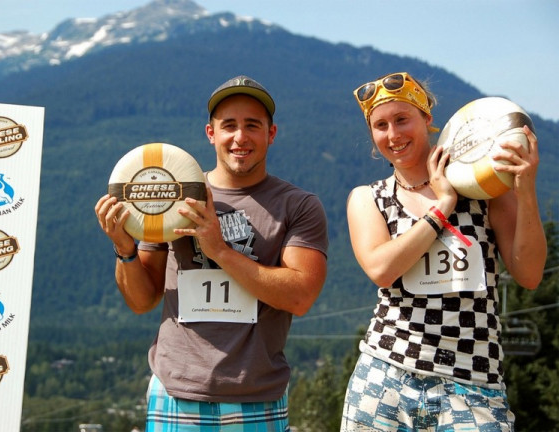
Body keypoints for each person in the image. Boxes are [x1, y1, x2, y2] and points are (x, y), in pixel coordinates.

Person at [95, 75, 328, 431]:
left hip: (257, 394)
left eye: (252, 125)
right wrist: (124, 249)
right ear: (211, 133)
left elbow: (300, 296)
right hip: (175, 391)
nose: (240, 137)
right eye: (229, 125)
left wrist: (220, 250)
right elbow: (142, 301)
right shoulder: (172, 196)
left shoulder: (298, 205)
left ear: (271, 133)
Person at [340, 72, 546, 431]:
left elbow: (529, 274)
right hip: (384, 375)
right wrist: (442, 207)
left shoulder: (483, 189)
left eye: (402, 119)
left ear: (427, 119)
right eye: (381, 126)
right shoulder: (368, 198)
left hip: (473, 381)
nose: (393, 134)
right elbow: (381, 269)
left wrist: (525, 190)